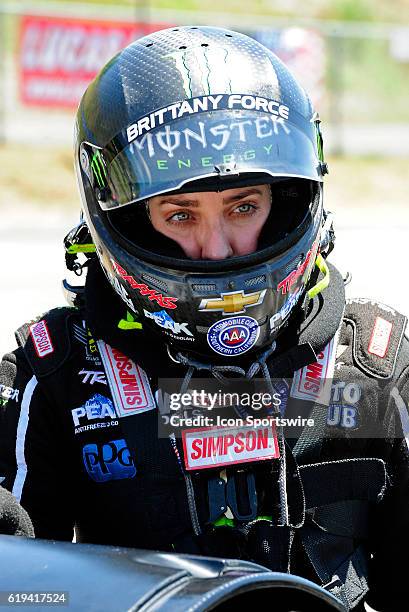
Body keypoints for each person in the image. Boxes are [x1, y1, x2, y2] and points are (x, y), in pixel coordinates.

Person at [0, 26, 408, 611]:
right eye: (179, 214)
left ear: (290, 198)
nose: (217, 250)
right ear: (130, 217)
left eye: (244, 206)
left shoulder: (378, 367)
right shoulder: (55, 373)